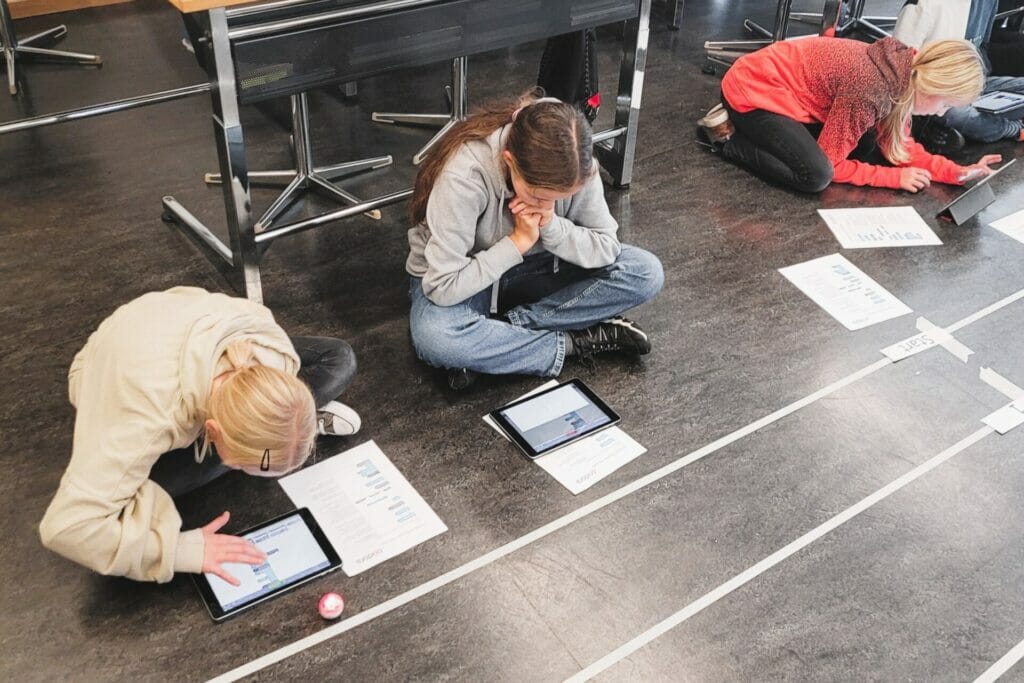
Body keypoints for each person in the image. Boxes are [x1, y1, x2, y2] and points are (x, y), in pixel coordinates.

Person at [39, 286, 360, 585]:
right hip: (110, 372)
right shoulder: (146, 419)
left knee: (339, 359)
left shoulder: (276, 356)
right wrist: (180, 551)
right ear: (210, 432)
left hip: (168, 335)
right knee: (136, 501)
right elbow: (65, 527)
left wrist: (280, 431)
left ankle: (267, 438)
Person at [406, 90, 664, 390]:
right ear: (509, 161)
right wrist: (515, 243)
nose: (546, 205)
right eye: (539, 196)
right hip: (465, 280)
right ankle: (575, 341)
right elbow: (441, 286)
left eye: (560, 199)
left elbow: (607, 246)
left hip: (538, 267)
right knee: (436, 337)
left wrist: (552, 227)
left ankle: (501, 336)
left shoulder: (575, 162)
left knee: (645, 272)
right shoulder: (463, 177)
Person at [697, 37, 1001, 193]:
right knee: (816, 176)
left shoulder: (905, 70)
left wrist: (957, 172)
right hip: (755, 89)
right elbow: (833, 165)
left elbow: (900, 145)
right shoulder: (872, 90)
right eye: (945, 105)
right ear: (933, 86)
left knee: (867, 145)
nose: (941, 113)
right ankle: (728, 138)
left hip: (792, 93)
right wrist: (892, 178)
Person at [894, 0, 1024, 146]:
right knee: (957, 114)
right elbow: (897, 73)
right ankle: (1013, 128)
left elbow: (982, 49)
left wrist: (974, 90)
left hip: (966, 85)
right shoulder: (924, 5)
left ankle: (980, 122)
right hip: (932, 94)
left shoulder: (987, 2)